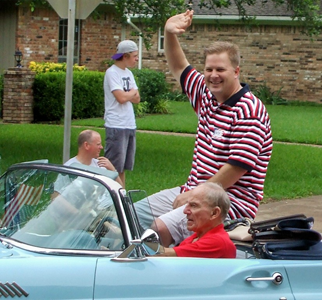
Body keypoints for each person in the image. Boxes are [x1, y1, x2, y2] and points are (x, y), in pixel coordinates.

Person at [135, 10, 273, 247]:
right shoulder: (206, 95)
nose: (213, 75)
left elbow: (234, 169)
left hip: (228, 204)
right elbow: (179, 68)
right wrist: (169, 33)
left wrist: (192, 197)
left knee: (158, 230)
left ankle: (155, 277)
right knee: (128, 214)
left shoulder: (250, 110)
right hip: (193, 192)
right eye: (209, 69)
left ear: (236, 71)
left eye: (220, 70)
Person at [157, 182, 236, 258]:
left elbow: (164, 254)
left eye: (193, 205)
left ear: (214, 213)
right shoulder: (197, 236)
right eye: (187, 204)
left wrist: (146, 246)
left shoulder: (218, 242)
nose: (185, 211)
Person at [103, 39, 141, 188]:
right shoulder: (112, 73)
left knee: (122, 167)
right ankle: (110, 197)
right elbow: (121, 98)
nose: (137, 59)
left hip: (129, 124)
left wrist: (129, 94)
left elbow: (137, 98)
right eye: (134, 56)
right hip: (116, 125)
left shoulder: (129, 73)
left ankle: (121, 195)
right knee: (112, 167)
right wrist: (131, 93)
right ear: (125, 56)